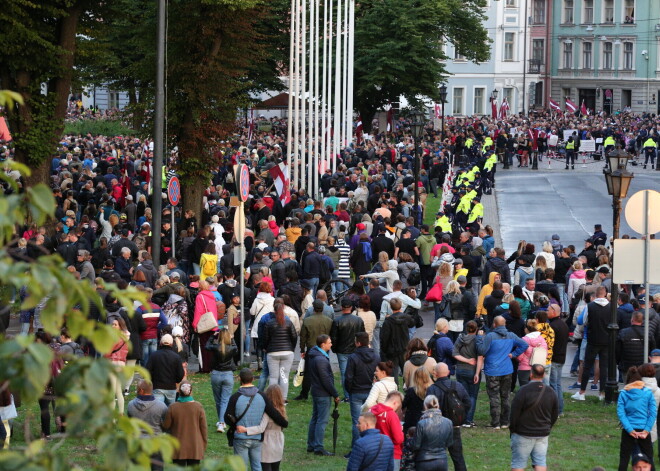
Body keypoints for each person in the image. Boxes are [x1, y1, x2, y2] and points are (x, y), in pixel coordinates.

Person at [225, 369, 288, 471]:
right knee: (257, 467)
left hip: (240, 437)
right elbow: (273, 413)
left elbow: (227, 418)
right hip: (257, 439)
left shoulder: (235, 397)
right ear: (253, 379)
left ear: (239, 379)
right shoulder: (262, 396)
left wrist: (236, 426)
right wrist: (284, 422)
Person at [476, 316, 528, 429]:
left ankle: (495, 422)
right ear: (505, 324)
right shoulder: (511, 335)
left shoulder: (490, 336)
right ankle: (505, 421)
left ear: (494, 324)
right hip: (507, 370)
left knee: (494, 396)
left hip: (492, 371)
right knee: (505, 396)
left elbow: (481, 350)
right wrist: (514, 354)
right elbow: (524, 344)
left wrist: (479, 338)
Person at [510, 364, 559, 471]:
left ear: (531, 374)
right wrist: (547, 427)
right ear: (544, 375)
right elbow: (555, 414)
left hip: (523, 433)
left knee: (518, 463)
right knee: (540, 461)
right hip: (542, 433)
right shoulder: (551, 392)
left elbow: (514, 413)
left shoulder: (523, 390)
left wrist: (513, 430)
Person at [426, 362, 470, 471]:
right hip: (454, 426)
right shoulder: (458, 386)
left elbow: (428, 408)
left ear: (435, 374)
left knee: (436, 457)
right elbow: (468, 403)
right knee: (458, 457)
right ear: (449, 372)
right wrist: (460, 417)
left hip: (438, 427)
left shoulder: (432, 389)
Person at [572, 286, 611, 401]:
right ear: (605, 294)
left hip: (593, 338)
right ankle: (602, 393)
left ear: (596, 294)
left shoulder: (590, 306)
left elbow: (583, 321)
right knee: (604, 367)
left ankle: (582, 392)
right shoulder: (611, 306)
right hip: (606, 339)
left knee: (587, 365)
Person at [617, 366, 657, 471]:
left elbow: (621, 413)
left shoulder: (624, 393)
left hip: (628, 430)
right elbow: (653, 413)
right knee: (649, 459)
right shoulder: (648, 393)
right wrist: (646, 430)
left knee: (624, 459)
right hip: (644, 429)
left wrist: (629, 429)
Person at [306, 334, 340, 456]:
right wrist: (335, 394)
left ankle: (311, 444)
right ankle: (318, 447)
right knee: (322, 420)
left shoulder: (316, 355)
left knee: (315, 418)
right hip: (322, 393)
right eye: (329, 342)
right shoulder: (320, 359)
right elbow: (326, 379)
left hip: (316, 391)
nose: (331, 344)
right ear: (323, 344)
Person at [345, 332, 380, 448]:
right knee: (370, 420)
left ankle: (356, 446)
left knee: (357, 421)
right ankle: (370, 445)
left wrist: (349, 390)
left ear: (358, 343)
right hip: (371, 391)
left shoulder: (353, 357)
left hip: (356, 392)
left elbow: (348, 377)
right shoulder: (376, 356)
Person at [163, 381, 208, 467]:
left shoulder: (173, 407)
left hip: (178, 446)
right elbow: (204, 428)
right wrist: (203, 444)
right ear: (191, 392)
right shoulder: (198, 406)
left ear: (179, 391)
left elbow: (166, 426)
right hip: (195, 446)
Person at [127, 379, 169, 471]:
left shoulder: (130, 405)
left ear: (141, 390)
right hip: (155, 441)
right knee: (157, 468)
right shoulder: (161, 406)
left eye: (137, 388)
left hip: (137, 442)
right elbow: (166, 425)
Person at [296, 300, 333, 401]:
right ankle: (325, 391)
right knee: (324, 371)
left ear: (313, 308)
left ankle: (304, 393)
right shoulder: (329, 321)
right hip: (324, 349)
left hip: (311, 349)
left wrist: (302, 349)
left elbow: (303, 337)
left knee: (308, 373)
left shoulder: (307, 320)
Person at [331, 297, 365, 401]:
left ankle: (347, 396)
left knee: (344, 373)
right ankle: (355, 393)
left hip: (342, 350)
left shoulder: (337, 321)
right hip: (356, 350)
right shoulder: (358, 320)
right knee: (356, 372)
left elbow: (334, 337)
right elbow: (362, 335)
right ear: (351, 307)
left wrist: (334, 349)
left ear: (341, 307)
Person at [263, 301, 298, 400]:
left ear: (274, 310)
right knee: (284, 376)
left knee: (273, 377)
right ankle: (283, 398)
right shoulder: (288, 322)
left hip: (273, 352)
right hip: (287, 352)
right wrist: (291, 348)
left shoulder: (269, 323)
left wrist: (266, 348)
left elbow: (265, 338)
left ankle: (272, 398)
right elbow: (294, 336)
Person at [206, 328, 237, 433]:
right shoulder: (231, 348)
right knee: (225, 400)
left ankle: (221, 421)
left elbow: (206, 346)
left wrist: (212, 336)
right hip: (227, 375)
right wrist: (232, 339)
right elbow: (236, 348)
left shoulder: (215, 347)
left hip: (216, 374)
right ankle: (222, 422)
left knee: (218, 400)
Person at [452, 320, 483, 427]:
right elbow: (480, 358)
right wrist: (477, 373)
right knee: (472, 396)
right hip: (472, 370)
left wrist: (465, 360)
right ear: (476, 329)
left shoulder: (460, 338)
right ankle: (468, 420)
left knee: (462, 395)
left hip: (460, 370)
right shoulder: (478, 340)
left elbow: (454, 353)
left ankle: (461, 418)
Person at [412, 395, 454, 471]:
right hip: (442, 460)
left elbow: (416, 445)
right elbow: (449, 443)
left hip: (424, 461)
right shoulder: (448, 422)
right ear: (438, 406)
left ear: (425, 406)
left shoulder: (421, 423)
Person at [380, 298, 414, 385]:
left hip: (392, 350)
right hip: (404, 348)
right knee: (406, 371)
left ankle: (395, 389)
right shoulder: (406, 318)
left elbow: (384, 338)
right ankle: (408, 388)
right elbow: (413, 323)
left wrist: (384, 350)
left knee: (393, 372)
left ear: (391, 307)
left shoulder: (388, 321)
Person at [146, 334, 185, 406]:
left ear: (161, 343)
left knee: (158, 410)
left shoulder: (154, 355)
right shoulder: (176, 357)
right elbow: (180, 374)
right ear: (171, 344)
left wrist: (152, 381)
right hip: (171, 387)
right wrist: (176, 381)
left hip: (157, 387)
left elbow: (147, 371)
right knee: (170, 412)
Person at [370, 391, 404, 471]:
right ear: (395, 403)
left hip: (373, 451)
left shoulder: (371, 411)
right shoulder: (391, 415)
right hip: (391, 453)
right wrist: (401, 431)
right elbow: (398, 439)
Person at [547, 303, 569, 416]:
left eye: (548, 310)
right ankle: (560, 409)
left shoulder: (553, 326)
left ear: (554, 312)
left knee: (553, 384)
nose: (546, 312)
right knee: (558, 384)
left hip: (554, 358)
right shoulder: (563, 325)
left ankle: (555, 409)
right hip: (561, 357)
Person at [105, 316, 130, 414]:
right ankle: (121, 413)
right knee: (118, 390)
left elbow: (107, 352)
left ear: (120, 326)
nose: (113, 326)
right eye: (113, 324)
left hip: (113, 363)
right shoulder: (126, 337)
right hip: (122, 364)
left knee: (112, 391)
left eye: (115, 324)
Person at [403, 367, 434, 433]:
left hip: (412, 421)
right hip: (427, 421)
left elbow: (403, 405)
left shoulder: (411, 391)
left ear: (416, 377)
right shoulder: (432, 391)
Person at [518, 319, 548, 387]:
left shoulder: (523, 340)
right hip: (538, 368)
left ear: (526, 329)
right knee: (536, 389)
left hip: (524, 367)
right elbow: (545, 353)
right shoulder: (542, 339)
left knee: (524, 389)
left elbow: (519, 355)